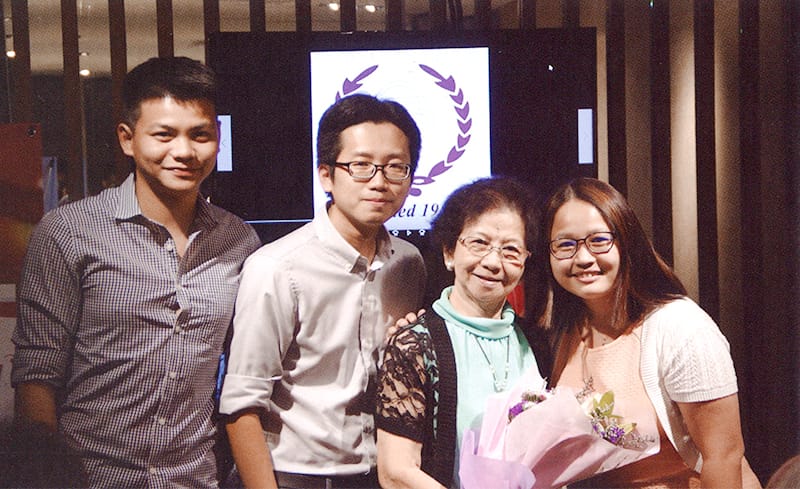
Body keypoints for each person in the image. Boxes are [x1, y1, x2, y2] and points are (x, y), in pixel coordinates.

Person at [11, 57, 262, 488]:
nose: (183, 151)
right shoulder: (70, 232)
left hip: (194, 479)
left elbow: (250, 368)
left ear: (217, 139)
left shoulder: (237, 241)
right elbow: (37, 373)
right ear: (128, 139)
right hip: (91, 478)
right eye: (164, 134)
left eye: (199, 134)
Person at [220, 93, 427, 489]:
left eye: (396, 167)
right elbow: (241, 404)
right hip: (297, 476)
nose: (380, 182)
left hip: (381, 473)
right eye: (361, 166)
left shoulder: (409, 262)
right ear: (326, 175)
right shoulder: (278, 268)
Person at [540, 177, 760, 488]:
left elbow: (723, 455)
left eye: (599, 240)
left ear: (626, 242)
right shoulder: (563, 332)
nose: (584, 258)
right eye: (565, 244)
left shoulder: (681, 328)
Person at [375, 176, 551, 489]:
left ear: (525, 262)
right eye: (479, 243)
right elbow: (395, 472)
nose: (494, 262)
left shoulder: (536, 342)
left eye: (511, 250)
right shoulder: (415, 345)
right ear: (449, 252)